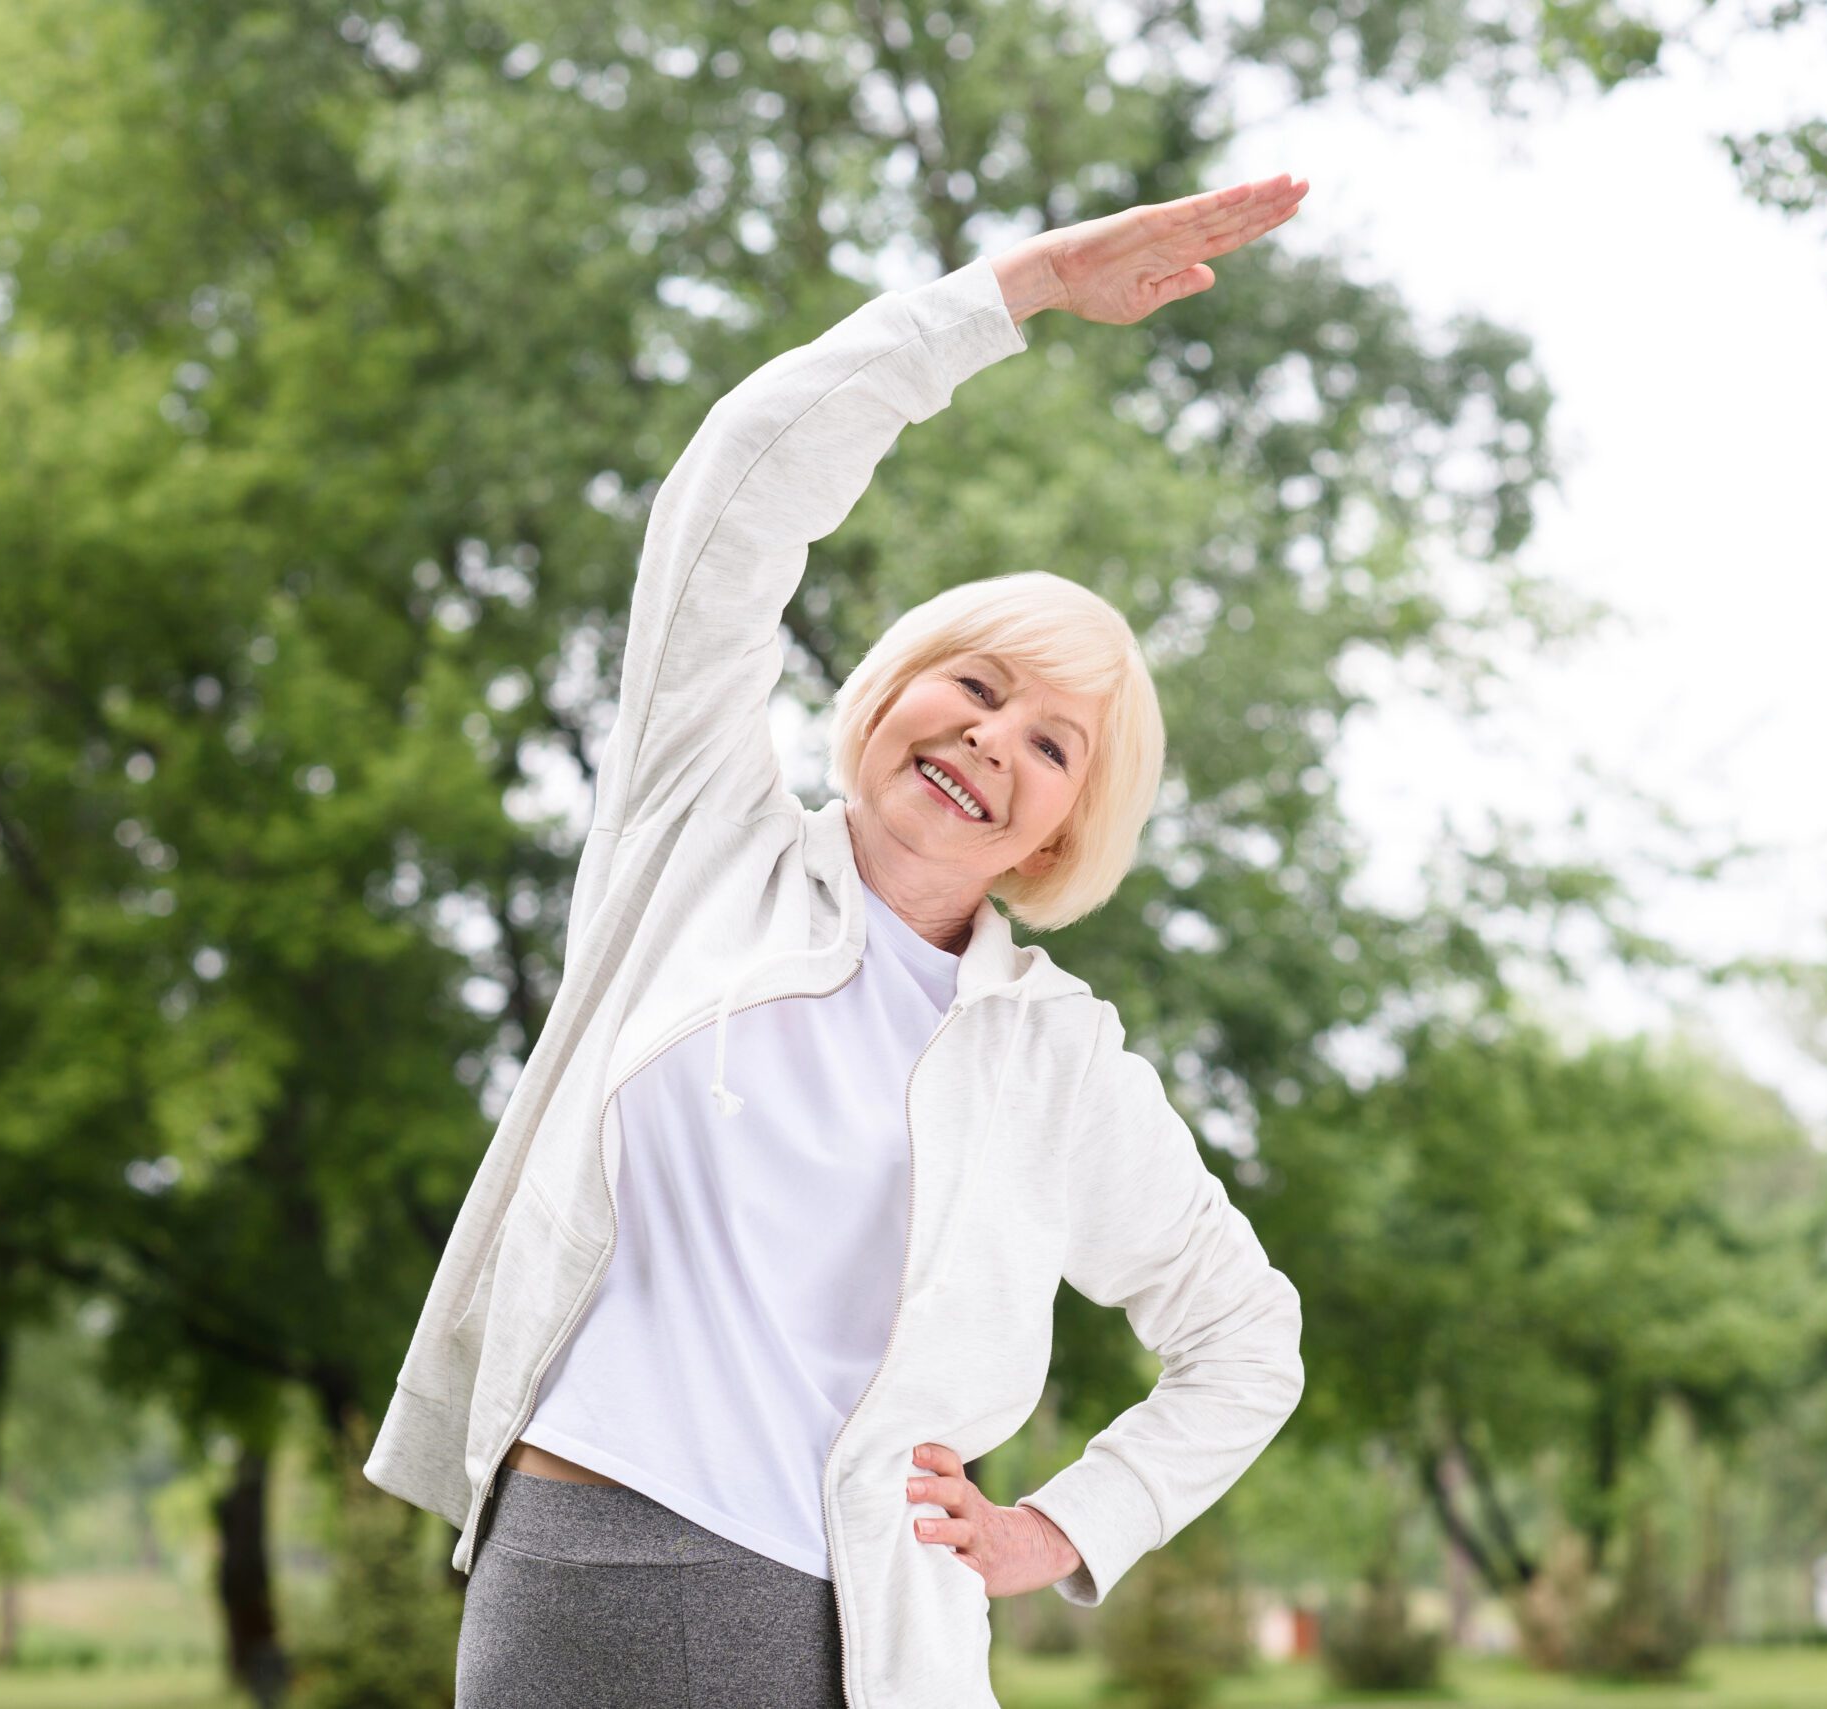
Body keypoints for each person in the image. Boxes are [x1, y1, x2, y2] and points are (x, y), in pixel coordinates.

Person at [364, 173, 1312, 1709]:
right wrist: (1016, 292)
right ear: (892, 690)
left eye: (1056, 744)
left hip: (856, 1639)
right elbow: (734, 488)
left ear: (1063, 831)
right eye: (978, 682)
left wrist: (1064, 1524)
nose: (996, 739)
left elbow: (1245, 1337)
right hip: (578, 1569)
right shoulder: (697, 839)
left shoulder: (1050, 1054)